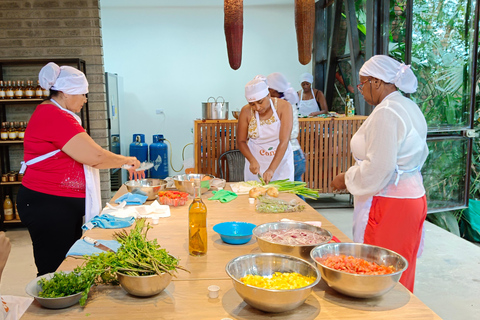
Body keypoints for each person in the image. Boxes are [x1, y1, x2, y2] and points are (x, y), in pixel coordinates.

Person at [16, 62, 143, 276]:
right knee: (54, 268)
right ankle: (52, 305)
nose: (85, 99)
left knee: (68, 261)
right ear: (66, 93)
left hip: (57, 205)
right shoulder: (54, 116)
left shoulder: (56, 113)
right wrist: (126, 160)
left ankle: (63, 302)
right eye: (83, 94)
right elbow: (95, 157)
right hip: (47, 204)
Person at [331, 55, 428, 292]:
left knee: (377, 276)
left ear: (376, 81)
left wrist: (346, 178)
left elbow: (379, 168)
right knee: (399, 273)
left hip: (389, 202)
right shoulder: (408, 106)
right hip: (411, 196)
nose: (360, 90)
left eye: (363, 83)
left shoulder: (387, 112)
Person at [237, 77, 294, 184]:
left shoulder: (284, 107)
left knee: (283, 197)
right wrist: (252, 160)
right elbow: (241, 141)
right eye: (252, 104)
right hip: (256, 161)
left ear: (268, 95)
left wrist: (272, 169)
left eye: (260, 102)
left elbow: (284, 140)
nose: (257, 107)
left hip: (280, 162)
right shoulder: (246, 111)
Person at [266, 72, 306, 182]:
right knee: (295, 194)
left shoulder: (285, 105)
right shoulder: (284, 103)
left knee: (292, 195)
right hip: (296, 153)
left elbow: (290, 133)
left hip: (291, 154)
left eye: (268, 89)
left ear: (273, 90)